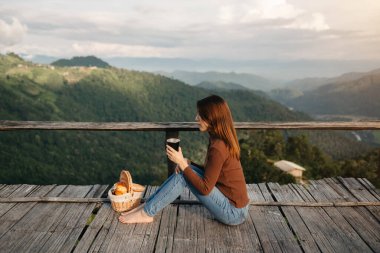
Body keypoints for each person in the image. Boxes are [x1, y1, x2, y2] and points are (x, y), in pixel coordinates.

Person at [119, 95, 250, 225]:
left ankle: (146, 213)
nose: (196, 118)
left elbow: (205, 188)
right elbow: (212, 173)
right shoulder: (218, 140)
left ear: (211, 118)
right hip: (235, 206)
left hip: (233, 213)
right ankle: (146, 207)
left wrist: (181, 163)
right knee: (185, 171)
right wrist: (189, 164)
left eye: (200, 115)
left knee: (183, 176)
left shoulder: (218, 147)